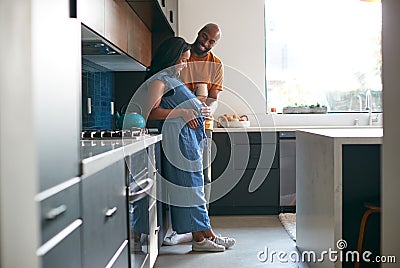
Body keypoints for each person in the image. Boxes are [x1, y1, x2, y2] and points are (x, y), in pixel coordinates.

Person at [144, 37, 235, 252]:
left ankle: (205, 234)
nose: (185, 65)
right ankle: (201, 238)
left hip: (189, 142)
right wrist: (183, 112)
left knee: (194, 188)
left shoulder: (170, 79)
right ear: (171, 58)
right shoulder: (160, 80)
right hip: (179, 145)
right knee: (191, 189)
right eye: (183, 61)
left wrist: (197, 109)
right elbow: (149, 112)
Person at [163, 23, 223, 246]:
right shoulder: (181, 55)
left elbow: (213, 98)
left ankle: (201, 228)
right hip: (178, 127)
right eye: (204, 37)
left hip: (203, 126)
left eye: (211, 42)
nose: (205, 43)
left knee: (201, 178)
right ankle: (183, 228)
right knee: (182, 178)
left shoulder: (215, 65)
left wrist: (209, 109)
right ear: (198, 33)